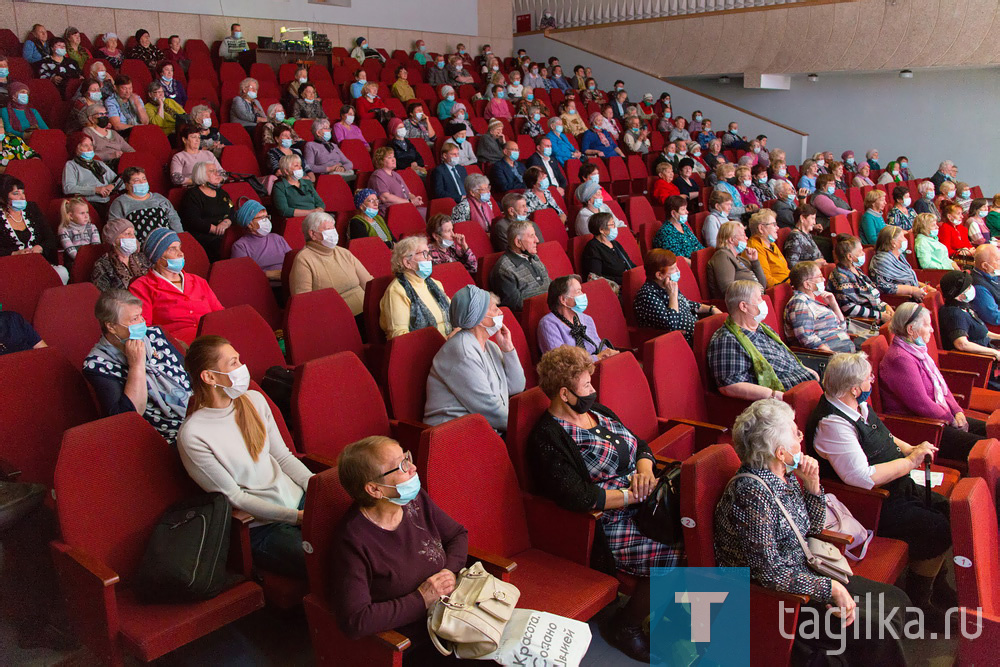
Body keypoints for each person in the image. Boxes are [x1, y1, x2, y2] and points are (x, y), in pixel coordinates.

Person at [716, 398, 909, 664]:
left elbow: (813, 528)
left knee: (896, 599)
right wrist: (829, 588)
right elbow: (770, 573)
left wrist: (813, 487)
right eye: (795, 432)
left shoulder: (784, 475)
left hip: (804, 572)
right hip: (776, 598)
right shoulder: (752, 494)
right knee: (878, 628)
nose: (800, 435)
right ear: (780, 452)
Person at [527, 344, 680, 662]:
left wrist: (645, 469)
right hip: (607, 523)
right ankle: (627, 626)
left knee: (695, 533)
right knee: (676, 553)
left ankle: (671, 619)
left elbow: (641, 445)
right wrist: (630, 495)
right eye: (586, 386)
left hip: (644, 505)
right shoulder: (547, 437)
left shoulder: (598, 413)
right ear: (565, 394)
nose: (593, 390)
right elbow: (578, 497)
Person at [808, 352, 956, 622]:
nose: (872, 381)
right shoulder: (832, 424)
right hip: (871, 503)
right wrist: (910, 461)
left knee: (946, 509)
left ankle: (936, 585)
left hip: (895, 487)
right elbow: (862, 478)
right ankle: (920, 601)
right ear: (855, 388)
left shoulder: (855, 405)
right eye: (868, 379)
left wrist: (909, 448)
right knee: (937, 528)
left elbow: (883, 434)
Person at [179, 335, 311, 579]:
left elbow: (283, 457)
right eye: (233, 363)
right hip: (263, 526)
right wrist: (296, 518)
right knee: (325, 560)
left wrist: (317, 489)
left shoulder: (255, 400)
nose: (242, 368)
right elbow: (235, 497)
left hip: (299, 502)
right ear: (209, 377)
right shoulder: (193, 435)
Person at [331, 435, 468, 654]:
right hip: (415, 643)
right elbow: (356, 620)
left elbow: (457, 535)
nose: (413, 467)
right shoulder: (352, 540)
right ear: (375, 490)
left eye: (407, 457)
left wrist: (449, 572)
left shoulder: (415, 500)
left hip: (455, 617)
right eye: (401, 466)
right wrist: (421, 599)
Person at [881, 302, 987, 461]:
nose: (931, 329)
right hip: (923, 427)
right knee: (986, 447)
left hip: (940, 417)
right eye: (927, 325)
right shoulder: (900, 358)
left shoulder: (917, 350)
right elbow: (922, 404)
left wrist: (957, 411)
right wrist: (951, 419)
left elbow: (941, 386)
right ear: (911, 330)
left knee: (988, 431)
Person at [84, 289, 191, 445]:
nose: (142, 323)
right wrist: (136, 365)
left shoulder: (155, 335)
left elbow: (190, 373)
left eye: (141, 316)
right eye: (135, 319)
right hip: (162, 438)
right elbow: (126, 419)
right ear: (112, 327)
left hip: (194, 417)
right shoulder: (98, 365)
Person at [424, 285, 525, 431]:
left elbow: (516, 386)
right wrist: (524, 426)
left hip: (484, 429)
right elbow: (489, 409)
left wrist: (508, 349)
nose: (500, 312)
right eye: (495, 309)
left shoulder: (490, 346)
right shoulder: (462, 351)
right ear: (479, 318)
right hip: (454, 434)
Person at [708, 280, 818, 399]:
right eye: (759, 299)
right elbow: (730, 385)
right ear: (743, 306)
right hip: (783, 399)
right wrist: (776, 396)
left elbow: (784, 359)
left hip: (806, 384)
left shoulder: (763, 328)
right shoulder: (727, 340)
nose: (763, 302)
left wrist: (806, 370)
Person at [129, 228, 224, 344]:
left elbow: (219, 315)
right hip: (176, 347)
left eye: (179, 248)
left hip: (213, 341)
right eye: (173, 249)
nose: (181, 253)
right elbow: (145, 330)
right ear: (158, 257)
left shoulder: (198, 281)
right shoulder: (141, 287)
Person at [289, 212, 372, 327]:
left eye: (333, 228)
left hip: (366, 310)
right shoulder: (303, 260)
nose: (333, 233)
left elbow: (368, 283)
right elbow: (304, 303)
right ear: (312, 234)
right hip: (337, 320)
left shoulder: (343, 252)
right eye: (328, 229)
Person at [634, 248, 719, 343]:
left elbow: (686, 303)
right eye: (674, 269)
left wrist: (711, 309)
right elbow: (671, 325)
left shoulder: (667, 285)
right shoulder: (647, 295)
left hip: (697, 334)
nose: (678, 271)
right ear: (659, 275)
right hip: (678, 342)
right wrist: (673, 295)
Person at [380, 235, 452, 341]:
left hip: (449, 342)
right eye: (424, 254)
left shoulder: (435, 283)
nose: (430, 258)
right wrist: (447, 340)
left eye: (429, 253)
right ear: (407, 262)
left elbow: (454, 314)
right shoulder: (397, 291)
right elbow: (400, 337)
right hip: (426, 351)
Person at [936, 270, 1000, 389]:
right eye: (968, 287)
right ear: (959, 294)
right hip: (981, 364)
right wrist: (995, 353)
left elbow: (984, 333)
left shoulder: (964, 307)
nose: (972, 288)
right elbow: (961, 344)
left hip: (990, 354)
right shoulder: (954, 314)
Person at [0, 176, 63, 279]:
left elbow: (51, 239)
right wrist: (15, 253)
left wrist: (40, 248)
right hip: (10, 266)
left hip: (37, 262)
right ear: (3, 197)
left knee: (62, 273)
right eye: (16, 194)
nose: (23, 197)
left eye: (23, 193)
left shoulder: (32, 208)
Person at [784, 261, 853, 352]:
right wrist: (833, 355)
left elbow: (842, 328)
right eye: (820, 277)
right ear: (807, 284)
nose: (824, 279)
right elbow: (806, 338)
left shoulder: (813, 301)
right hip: (831, 357)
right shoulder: (799, 303)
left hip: (844, 348)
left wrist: (834, 305)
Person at [829, 235, 893, 323]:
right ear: (850, 256)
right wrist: (880, 315)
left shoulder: (857, 269)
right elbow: (848, 308)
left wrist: (885, 306)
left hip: (879, 312)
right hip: (867, 322)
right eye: (860, 251)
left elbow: (872, 293)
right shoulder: (840, 277)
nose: (863, 253)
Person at [107, 166, 181, 242]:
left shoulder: (159, 198)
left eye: (144, 179)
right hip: (138, 245)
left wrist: (179, 238)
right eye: (137, 180)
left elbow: (174, 219)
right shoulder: (120, 202)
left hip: (166, 241)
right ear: (127, 186)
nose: (142, 183)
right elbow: (114, 228)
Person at [490, 220, 551, 311]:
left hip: (550, 307)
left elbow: (548, 284)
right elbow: (516, 306)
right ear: (518, 242)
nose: (537, 240)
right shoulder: (504, 269)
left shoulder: (534, 257)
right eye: (531, 236)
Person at [230, 199, 291, 280]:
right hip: (264, 286)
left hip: (289, 280)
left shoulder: (277, 238)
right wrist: (270, 274)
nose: (266, 221)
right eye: (261, 218)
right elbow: (243, 274)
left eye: (266, 217)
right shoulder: (240, 246)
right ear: (249, 224)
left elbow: (292, 261)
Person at [868, 225, 932, 300]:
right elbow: (884, 287)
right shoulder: (882, 261)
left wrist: (925, 287)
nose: (905, 239)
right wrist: (912, 290)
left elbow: (908, 280)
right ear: (893, 242)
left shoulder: (900, 257)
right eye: (902, 237)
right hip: (901, 300)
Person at [90, 218, 153, 291]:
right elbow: (102, 295)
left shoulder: (142, 258)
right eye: (127, 234)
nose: (133, 237)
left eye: (133, 234)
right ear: (113, 240)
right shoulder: (103, 265)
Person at [707, 221, 766, 299]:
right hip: (742, 303)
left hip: (755, 300)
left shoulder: (740, 259)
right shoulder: (722, 255)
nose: (746, 238)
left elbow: (763, 285)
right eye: (743, 235)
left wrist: (755, 261)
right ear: (731, 239)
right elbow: (728, 290)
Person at [62, 133, 117, 209]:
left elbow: (119, 180)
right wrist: (95, 189)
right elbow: (68, 188)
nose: (90, 149)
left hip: (108, 201)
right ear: (75, 149)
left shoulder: (98, 163)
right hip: (89, 203)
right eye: (85, 146)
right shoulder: (71, 165)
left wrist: (112, 186)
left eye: (91, 145)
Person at [582, 211, 636, 286]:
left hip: (628, 281)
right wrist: (625, 279)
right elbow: (596, 277)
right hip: (615, 287)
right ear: (601, 230)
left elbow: (629, 263)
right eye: (612, 225)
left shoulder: (614, 243)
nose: (615, 228)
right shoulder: (593, 248)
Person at [369, 147, 424, 219]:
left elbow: (409, 194)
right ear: (381, 161)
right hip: (392, 213)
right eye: (389, 157)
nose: (393, 159)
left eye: (393, 157)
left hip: (406, 208)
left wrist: (415, 200)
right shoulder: (377, 175)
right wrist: (410, 202)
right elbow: (385, 197)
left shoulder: (396, 174)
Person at [272, 154, 324, 220]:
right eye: (296, 165)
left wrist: (319, 210)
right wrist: (311, 212)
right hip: (295, 220)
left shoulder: (307, 183)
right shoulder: (279, 186)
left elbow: (320, 203)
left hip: (314, 217)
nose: (300, 168)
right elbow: (284, 210)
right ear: (286, 171)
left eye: (300, 165)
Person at [746, 209, 789, 288]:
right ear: (761, 228)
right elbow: (767, 280)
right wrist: (787, 287)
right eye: (774, 224)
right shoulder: (755, 246)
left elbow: (785, 270)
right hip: (778, 289)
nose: (778, 228)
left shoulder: (771, 244)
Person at [652, 195, 702, 263]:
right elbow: (678, 259)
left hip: (696, 263)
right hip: (685, 268)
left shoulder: (684, 226)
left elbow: (698, 246)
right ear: (673, 213)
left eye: (686, 209)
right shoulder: (666, 232)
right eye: (683, 209)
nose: (687, 212)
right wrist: (697, 265)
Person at [54, 196, 99, 270]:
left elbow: (96, 246)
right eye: (82, 213)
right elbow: (70, 250)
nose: (86, 216)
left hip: (90, 257)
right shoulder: (64, 230)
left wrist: (92, 259)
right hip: (74, 260)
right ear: (71, 216)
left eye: (87, 212)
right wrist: (83, 261)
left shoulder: (92, 227)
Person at [783, 203, 826, 267]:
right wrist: (814, 264)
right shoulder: (795, 237)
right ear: (802, 218)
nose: (814, 222)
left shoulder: (807, 234)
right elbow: (792, 264)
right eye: (812, 218)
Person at [969, 243, 1000, 325]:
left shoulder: (993, 275)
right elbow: (994, 317)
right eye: (998, 260)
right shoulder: (979, 288)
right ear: (985, 265)